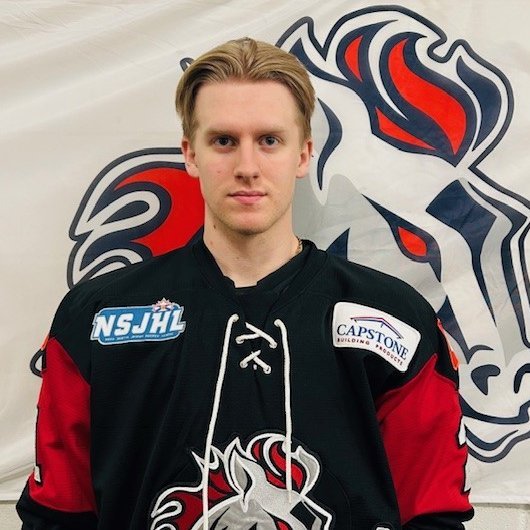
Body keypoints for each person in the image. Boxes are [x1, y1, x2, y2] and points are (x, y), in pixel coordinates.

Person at [17, 37, 473, 529]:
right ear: (191, 154)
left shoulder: (395, 319)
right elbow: (57, 515)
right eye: (224, 141)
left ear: (304, 155)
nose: (248, 168)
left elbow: (432, 516)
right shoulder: (97, 317)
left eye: (270, 141)